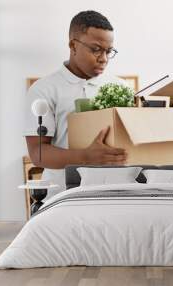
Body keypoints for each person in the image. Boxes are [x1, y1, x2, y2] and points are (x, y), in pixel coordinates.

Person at [24, 10, 128, 197]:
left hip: (113, 192)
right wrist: (87, 157)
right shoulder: (43, 90)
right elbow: (38, 154)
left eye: (108, 51)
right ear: (73, 45)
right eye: (96, 49)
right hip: (62, 193)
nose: (103, 58)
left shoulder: (121, 87)